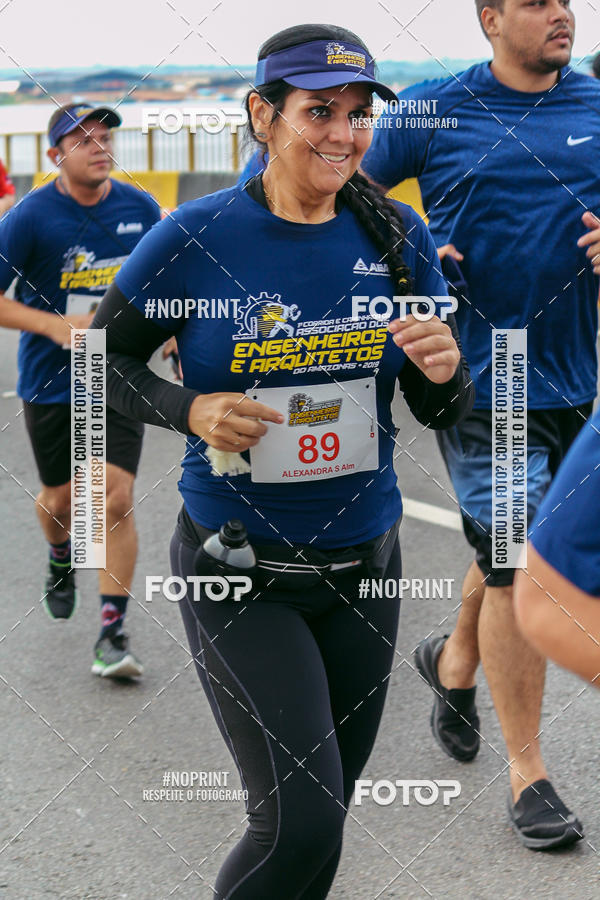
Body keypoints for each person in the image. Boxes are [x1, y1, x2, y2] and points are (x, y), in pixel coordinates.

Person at [93, 23, 474, 897]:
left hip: (366, 568)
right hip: (242, 570)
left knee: (324, 823)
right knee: (295, 824)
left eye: (358, 114)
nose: (343, 133)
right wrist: (188, 407)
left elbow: (437, 409)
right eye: (319, 111)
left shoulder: (398, 235)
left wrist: (447, 371)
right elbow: (98, 363)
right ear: (263, 115)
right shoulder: (197, 236)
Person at [361, 0, 599, 849]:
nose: (561, 13)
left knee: (519, 546)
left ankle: (453, 659)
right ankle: (528, 774)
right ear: (491, 18)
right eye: (536, 2)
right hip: (480, 379)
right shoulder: (432, 109)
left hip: (579, 375)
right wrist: (406, 252)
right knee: (514, 563)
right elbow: (331, 189)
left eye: (565, 0)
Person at [0, 103, 160, 678]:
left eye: (105, 137)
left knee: (112, 499)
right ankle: (60, 553)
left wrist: (171, 332)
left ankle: (112, 633)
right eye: (83, 140)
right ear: (55, 156)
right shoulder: (30, 217)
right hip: (50, 380)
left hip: (114, 373)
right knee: (61, 501)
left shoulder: (139, 208)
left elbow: (166, 282)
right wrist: (52, 326)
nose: (99, 147)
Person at [514, 406, 600, 686]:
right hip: (504, 400)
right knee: (508, 560)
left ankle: (453, 658)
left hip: (573, 394)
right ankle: (456, 665)